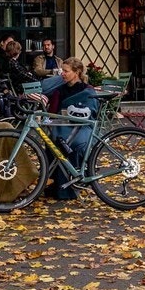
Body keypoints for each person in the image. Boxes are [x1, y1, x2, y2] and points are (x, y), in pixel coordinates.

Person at [45, 57, 99, 200]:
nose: (62, 73)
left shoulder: (87, 90)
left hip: (83, 127)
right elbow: (52, 113)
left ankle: (73, 184)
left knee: (75, 144)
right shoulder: (59, 91)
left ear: (77, 72)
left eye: (66, 71)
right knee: (53, 142)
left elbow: (92, 113)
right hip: (63, 126)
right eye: (62, 70)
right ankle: (60, 186)